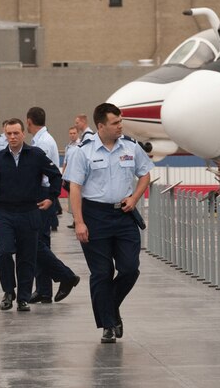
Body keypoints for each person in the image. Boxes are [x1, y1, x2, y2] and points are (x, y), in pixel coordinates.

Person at [66, 103, 153, 343]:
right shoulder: (83, 151)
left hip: (124, 214)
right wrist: (79, 222)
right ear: (101, 126)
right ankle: (107, 324)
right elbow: (75, 188)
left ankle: (110, 308)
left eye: (120, 121)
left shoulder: (131, 146)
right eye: (115, 123)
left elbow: (145, 174)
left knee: (129, 268)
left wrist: (135, 198)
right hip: (95, 216)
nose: (120, 126)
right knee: (102, 273)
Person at [0, 118, 62, 312]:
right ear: (5, 135)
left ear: (23, 134)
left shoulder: (36, 155)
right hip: (5, 213)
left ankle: (23, 298)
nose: (12, 137)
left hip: (29, 212)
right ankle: (9, 292)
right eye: (8, 133)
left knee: (27, 257)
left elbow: (56, 175)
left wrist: (51, 198)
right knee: (4, 252)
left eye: (16, 133)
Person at [26, 107, 81, 305]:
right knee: (40, 243)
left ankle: (66, 276)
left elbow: (40, 171)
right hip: (43, 192)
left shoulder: (42, 142)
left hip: (42, 193)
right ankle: (44, 290)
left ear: (29, 121)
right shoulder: (42, 139)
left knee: (36, 243)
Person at [61, 126, 80, 229]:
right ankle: (75, 220)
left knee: (79, 199)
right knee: (72, 200)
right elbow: (65, 162)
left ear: (77, 134)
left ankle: (79, 220)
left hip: (78, 177)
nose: (72, 135)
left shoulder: (81, 145)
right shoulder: (68, 147)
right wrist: (63, 176)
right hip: (69, 177)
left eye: (74, 133)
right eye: (70, 133)